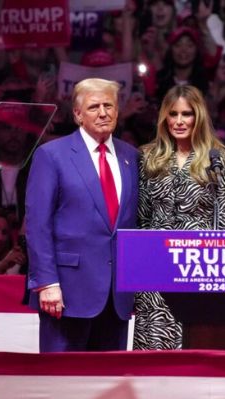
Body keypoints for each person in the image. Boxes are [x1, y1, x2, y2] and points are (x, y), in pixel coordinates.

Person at [25, 78, 139, 352]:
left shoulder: (131, 157)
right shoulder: (51, 155)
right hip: (65, 292)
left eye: (109, 106)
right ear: (77, 114)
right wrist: (47, 283)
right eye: (94, 107)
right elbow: (37, 225)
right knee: (62, 384)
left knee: (109, 387)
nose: (103, 113)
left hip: (116, 297)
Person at [134, 85, 225, 350]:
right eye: (173, 114)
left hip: (197, 270)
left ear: (199, 116)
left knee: (194, 349)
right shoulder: (148, 157)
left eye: (187, 114)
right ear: (164, 118)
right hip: (155, 271)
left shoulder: (219, 159)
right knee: (154, 355)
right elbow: (143, 219)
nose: (179, 121)